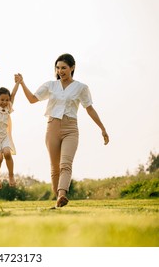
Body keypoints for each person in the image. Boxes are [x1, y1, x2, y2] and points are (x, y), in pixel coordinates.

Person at [17, 53, 109, 208]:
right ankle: (58, 201)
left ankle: (62, 195)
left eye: (64, 68)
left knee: (65, 164)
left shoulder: (81, 88)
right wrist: (22, 83)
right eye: (58, 68)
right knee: (54, 168)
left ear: (72, 68)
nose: (60, 71)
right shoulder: (50, 85)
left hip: (71, 128)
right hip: (52, 126)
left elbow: (90, 109)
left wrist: (102, 128)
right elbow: (32, 99)